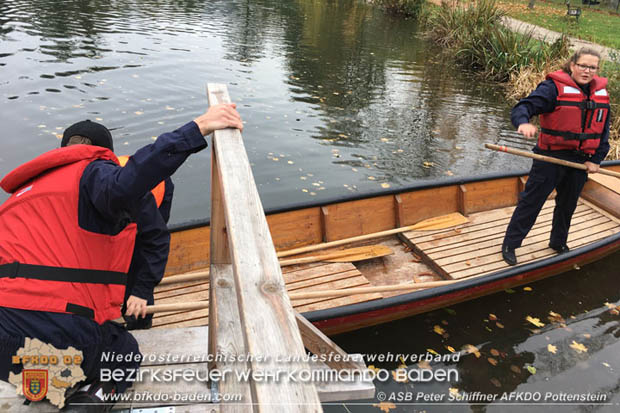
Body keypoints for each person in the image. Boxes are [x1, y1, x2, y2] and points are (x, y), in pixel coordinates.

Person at [0, 103, 243, 411]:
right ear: (107, 156)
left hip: (4, 342)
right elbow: (131, 183)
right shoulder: (96, 173)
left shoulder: (24, 192)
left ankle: (42, 384)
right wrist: (198, 128)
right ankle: (93, 400)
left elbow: (150, 240)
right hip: (63, 339)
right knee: (124, 351)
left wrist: (141, 292)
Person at [502, 47, 611, 266]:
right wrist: (523, 122)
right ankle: (510, 244)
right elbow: (524, 107)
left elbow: (603, 133)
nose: (587, 71)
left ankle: (558, 242)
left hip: (581, 160)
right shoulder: (552, 89)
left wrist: (596, 159)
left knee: (567, 204)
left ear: (596, 70)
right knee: (532, 202)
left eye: (592, 67)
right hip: (550, 158)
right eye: (583, 66)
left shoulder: (601, 94)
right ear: (572, 65)